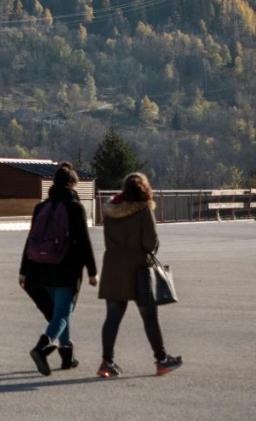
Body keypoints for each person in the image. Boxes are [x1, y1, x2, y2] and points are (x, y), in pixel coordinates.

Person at [96, 171, 183, 378]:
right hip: (139, 270)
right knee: (149, 318)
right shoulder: (144, 210)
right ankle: (161, 360)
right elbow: (150, 243)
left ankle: (106, 363)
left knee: (112, 318)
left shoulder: (110, 210)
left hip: (113, 267)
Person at [20, 162, 97, 376]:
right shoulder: (75, 207)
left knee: (59, 313)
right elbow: (84, 241)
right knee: (63, 312)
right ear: (73, 185)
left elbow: (30, 240)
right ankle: (41, 348)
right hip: (65, 269)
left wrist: (23, 270)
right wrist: (92, 271)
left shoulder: (41, 207)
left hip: (39, 269)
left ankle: (67, 356)